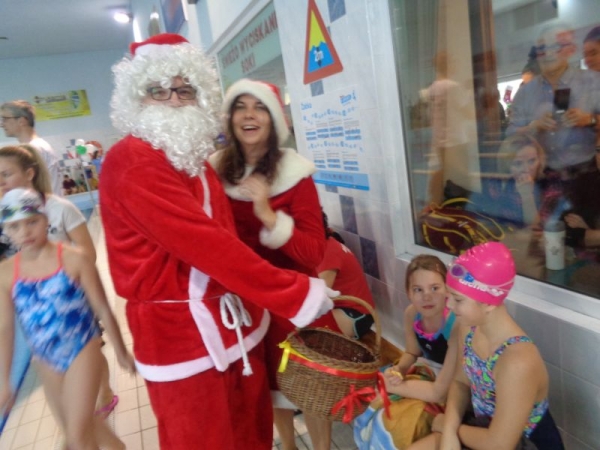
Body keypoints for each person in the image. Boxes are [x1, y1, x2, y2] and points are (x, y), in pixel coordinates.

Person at [100, 33, 334, 449]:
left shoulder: (196, 163)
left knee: (253, 432)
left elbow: (287, 246)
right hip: (182, 337)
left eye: (185, 90)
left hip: (240, 321)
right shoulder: (134, 160)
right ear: (137, 97)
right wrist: (292, 292)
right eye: (159, 90)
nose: (174, 100)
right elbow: (205, 243)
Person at [210, 78, 338, 450]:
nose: (249, 115)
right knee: (269, 390)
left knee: (311, 391)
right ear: (230, 117)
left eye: (259, 107)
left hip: (294, 302)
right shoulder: (213, 173)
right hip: (244, 305)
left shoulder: (296, 173)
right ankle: (288, 445)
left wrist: (268, 215)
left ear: (274, 119)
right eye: (240, 107)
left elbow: (314, 253)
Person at [0, 188, 135, 450]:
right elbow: (5, 328)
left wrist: (120, 351)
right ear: (6, 231)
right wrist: (4, 381)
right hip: (45, 357)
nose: (25, 231)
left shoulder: (73, 259)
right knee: (81, 424)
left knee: (76, 438)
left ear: (46, 219)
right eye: (15, 226)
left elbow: (103, 308)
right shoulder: (5, 273)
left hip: (82, 347)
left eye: (32, 221)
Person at [0, 144, 118, 420]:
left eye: (6, 175)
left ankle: (103, 391)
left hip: (70, 294)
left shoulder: (59, 208)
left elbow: (87, 252)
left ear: (29, 174)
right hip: (35, 301)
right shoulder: (6, 215)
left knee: (89, 345)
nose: (1, 183)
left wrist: (59, 269)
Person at [421, 242, 564, 450]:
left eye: (458, 299)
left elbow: (499, 444)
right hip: (483, 431)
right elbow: (461, 382)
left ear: (488, 303)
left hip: (523, 444)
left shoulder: (517, 361)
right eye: (449, 296)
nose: (449, 305)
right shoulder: (469, 328)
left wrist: (450, 428)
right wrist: (450, 429)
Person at [354, 255, 458, 449]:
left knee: (405, 421)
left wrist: (393, 386)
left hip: (454, 383)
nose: (426, 296)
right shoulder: (412, 314)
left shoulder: (455, 324)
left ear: (447, 289)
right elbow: (411, 352)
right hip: (431, 373)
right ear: (408, 293)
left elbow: (440, 393)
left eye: (435, 288)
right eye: (418, 289)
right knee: (377, 404)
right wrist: (398, 370)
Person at [507, 24, 600, 183]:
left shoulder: (593, 81)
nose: (548, 53)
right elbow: (510, 134)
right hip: (542, 177)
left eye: (555, 46)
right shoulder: (525, 93)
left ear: (570, 49)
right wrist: (533, 127)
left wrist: (590, 119)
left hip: (587, 175)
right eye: (542, 48)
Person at [317, 211, 375, 340]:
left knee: (304, 330)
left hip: (357, 313)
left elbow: (318, 299)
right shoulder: (326, 243)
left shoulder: (328, 252)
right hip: (343, 309)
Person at [1, 100, 62, 196]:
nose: (2, 124)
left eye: (5, 119)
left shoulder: (34, 149)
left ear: (22, 121)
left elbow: (32, 189)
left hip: (44, 204)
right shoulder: (39, 146)